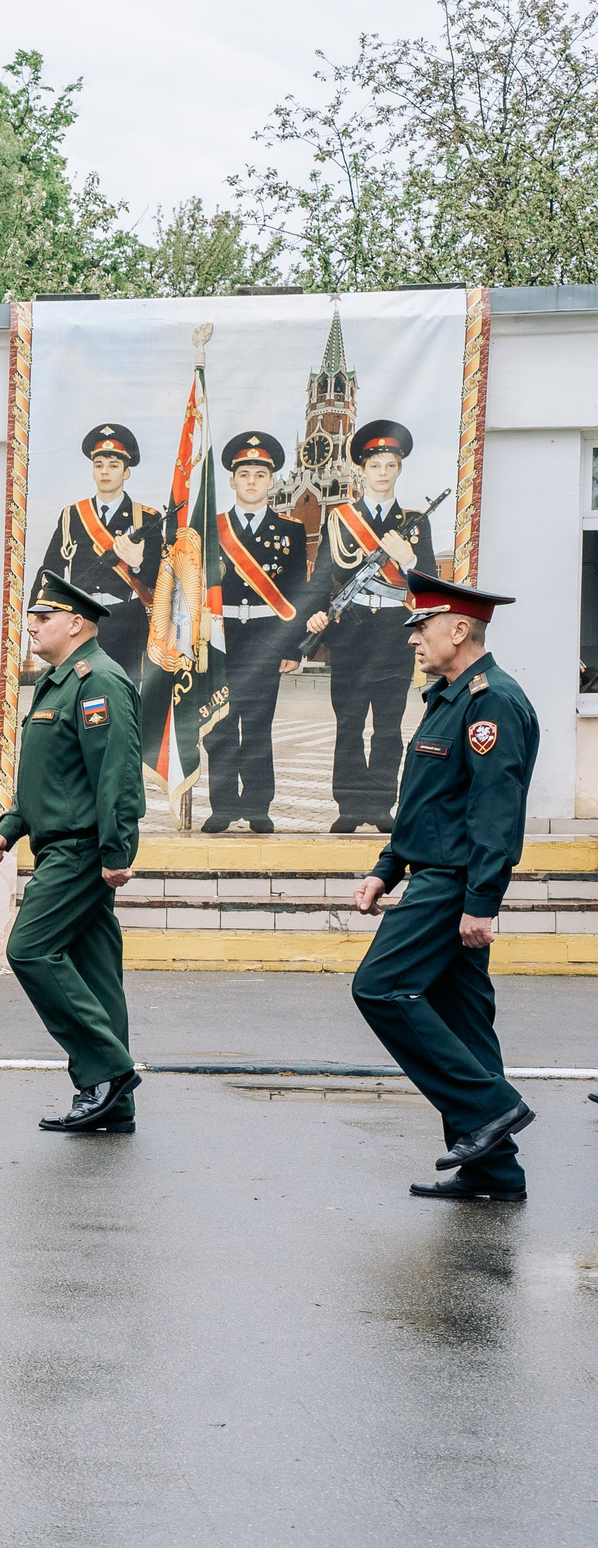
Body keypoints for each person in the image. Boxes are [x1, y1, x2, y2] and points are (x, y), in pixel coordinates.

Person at [350, 570, 538, 1202]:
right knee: (464, 1021)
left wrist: (482, 902)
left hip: (454, 883)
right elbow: (426, 803)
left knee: (380, 987)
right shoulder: (450, 697)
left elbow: (495, 810)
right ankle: (495, 1172)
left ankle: (490, 1109)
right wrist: (386, 868)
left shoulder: (491, 703)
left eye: (421, 626)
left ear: (460, 629)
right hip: (432, 870)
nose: (412, 639)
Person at [0, 572, 145, 1134]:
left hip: (81, 848)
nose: (32, 628)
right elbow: (53, 774)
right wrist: (12, 825)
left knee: (29, 949)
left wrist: (118, 848)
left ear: (77, 623)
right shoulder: (57, 682)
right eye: (30, 619)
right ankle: (111, 1102)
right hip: (59, 842)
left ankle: (111, 1070)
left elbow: (115, 774)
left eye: (43, 619)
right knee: (97, 974)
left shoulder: (98, 680)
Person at [320, 420, 438, 833]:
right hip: (350, 633)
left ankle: (381, 806)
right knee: (348, 723)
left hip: (394, 633)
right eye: (375, 465)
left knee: (388, 727)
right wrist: (315, 615)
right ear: (362, 471)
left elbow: (430, 584)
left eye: (390, 464)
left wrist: (409, 559)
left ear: (399, 470)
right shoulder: (339, 520)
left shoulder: (415, 522)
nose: (383, 472)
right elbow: (322, 577)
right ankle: (350, 807)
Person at [201, 432, 315, 834]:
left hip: (266, 638)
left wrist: (294, 647)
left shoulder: (292, 530)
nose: (251, 480)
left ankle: (257, 806)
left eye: (260, 474)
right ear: (232, 481)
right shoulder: (210, 528)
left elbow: (299, 590)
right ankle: (222, 807)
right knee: (219, 726)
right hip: (219, 638)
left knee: (258, 726)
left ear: (271, 482)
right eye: (244, 473)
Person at [38, 423, 162, 679]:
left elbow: (160, 581)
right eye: (99, 465)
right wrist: (38, 613)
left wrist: (137, 563)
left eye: (114, 466)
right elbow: (49, 570)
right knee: (77, 687)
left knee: (124, 689)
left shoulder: (147, 518)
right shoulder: (72, 516)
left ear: (126, 472)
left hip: (127, 621)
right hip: (80, 619)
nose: (105, 472)